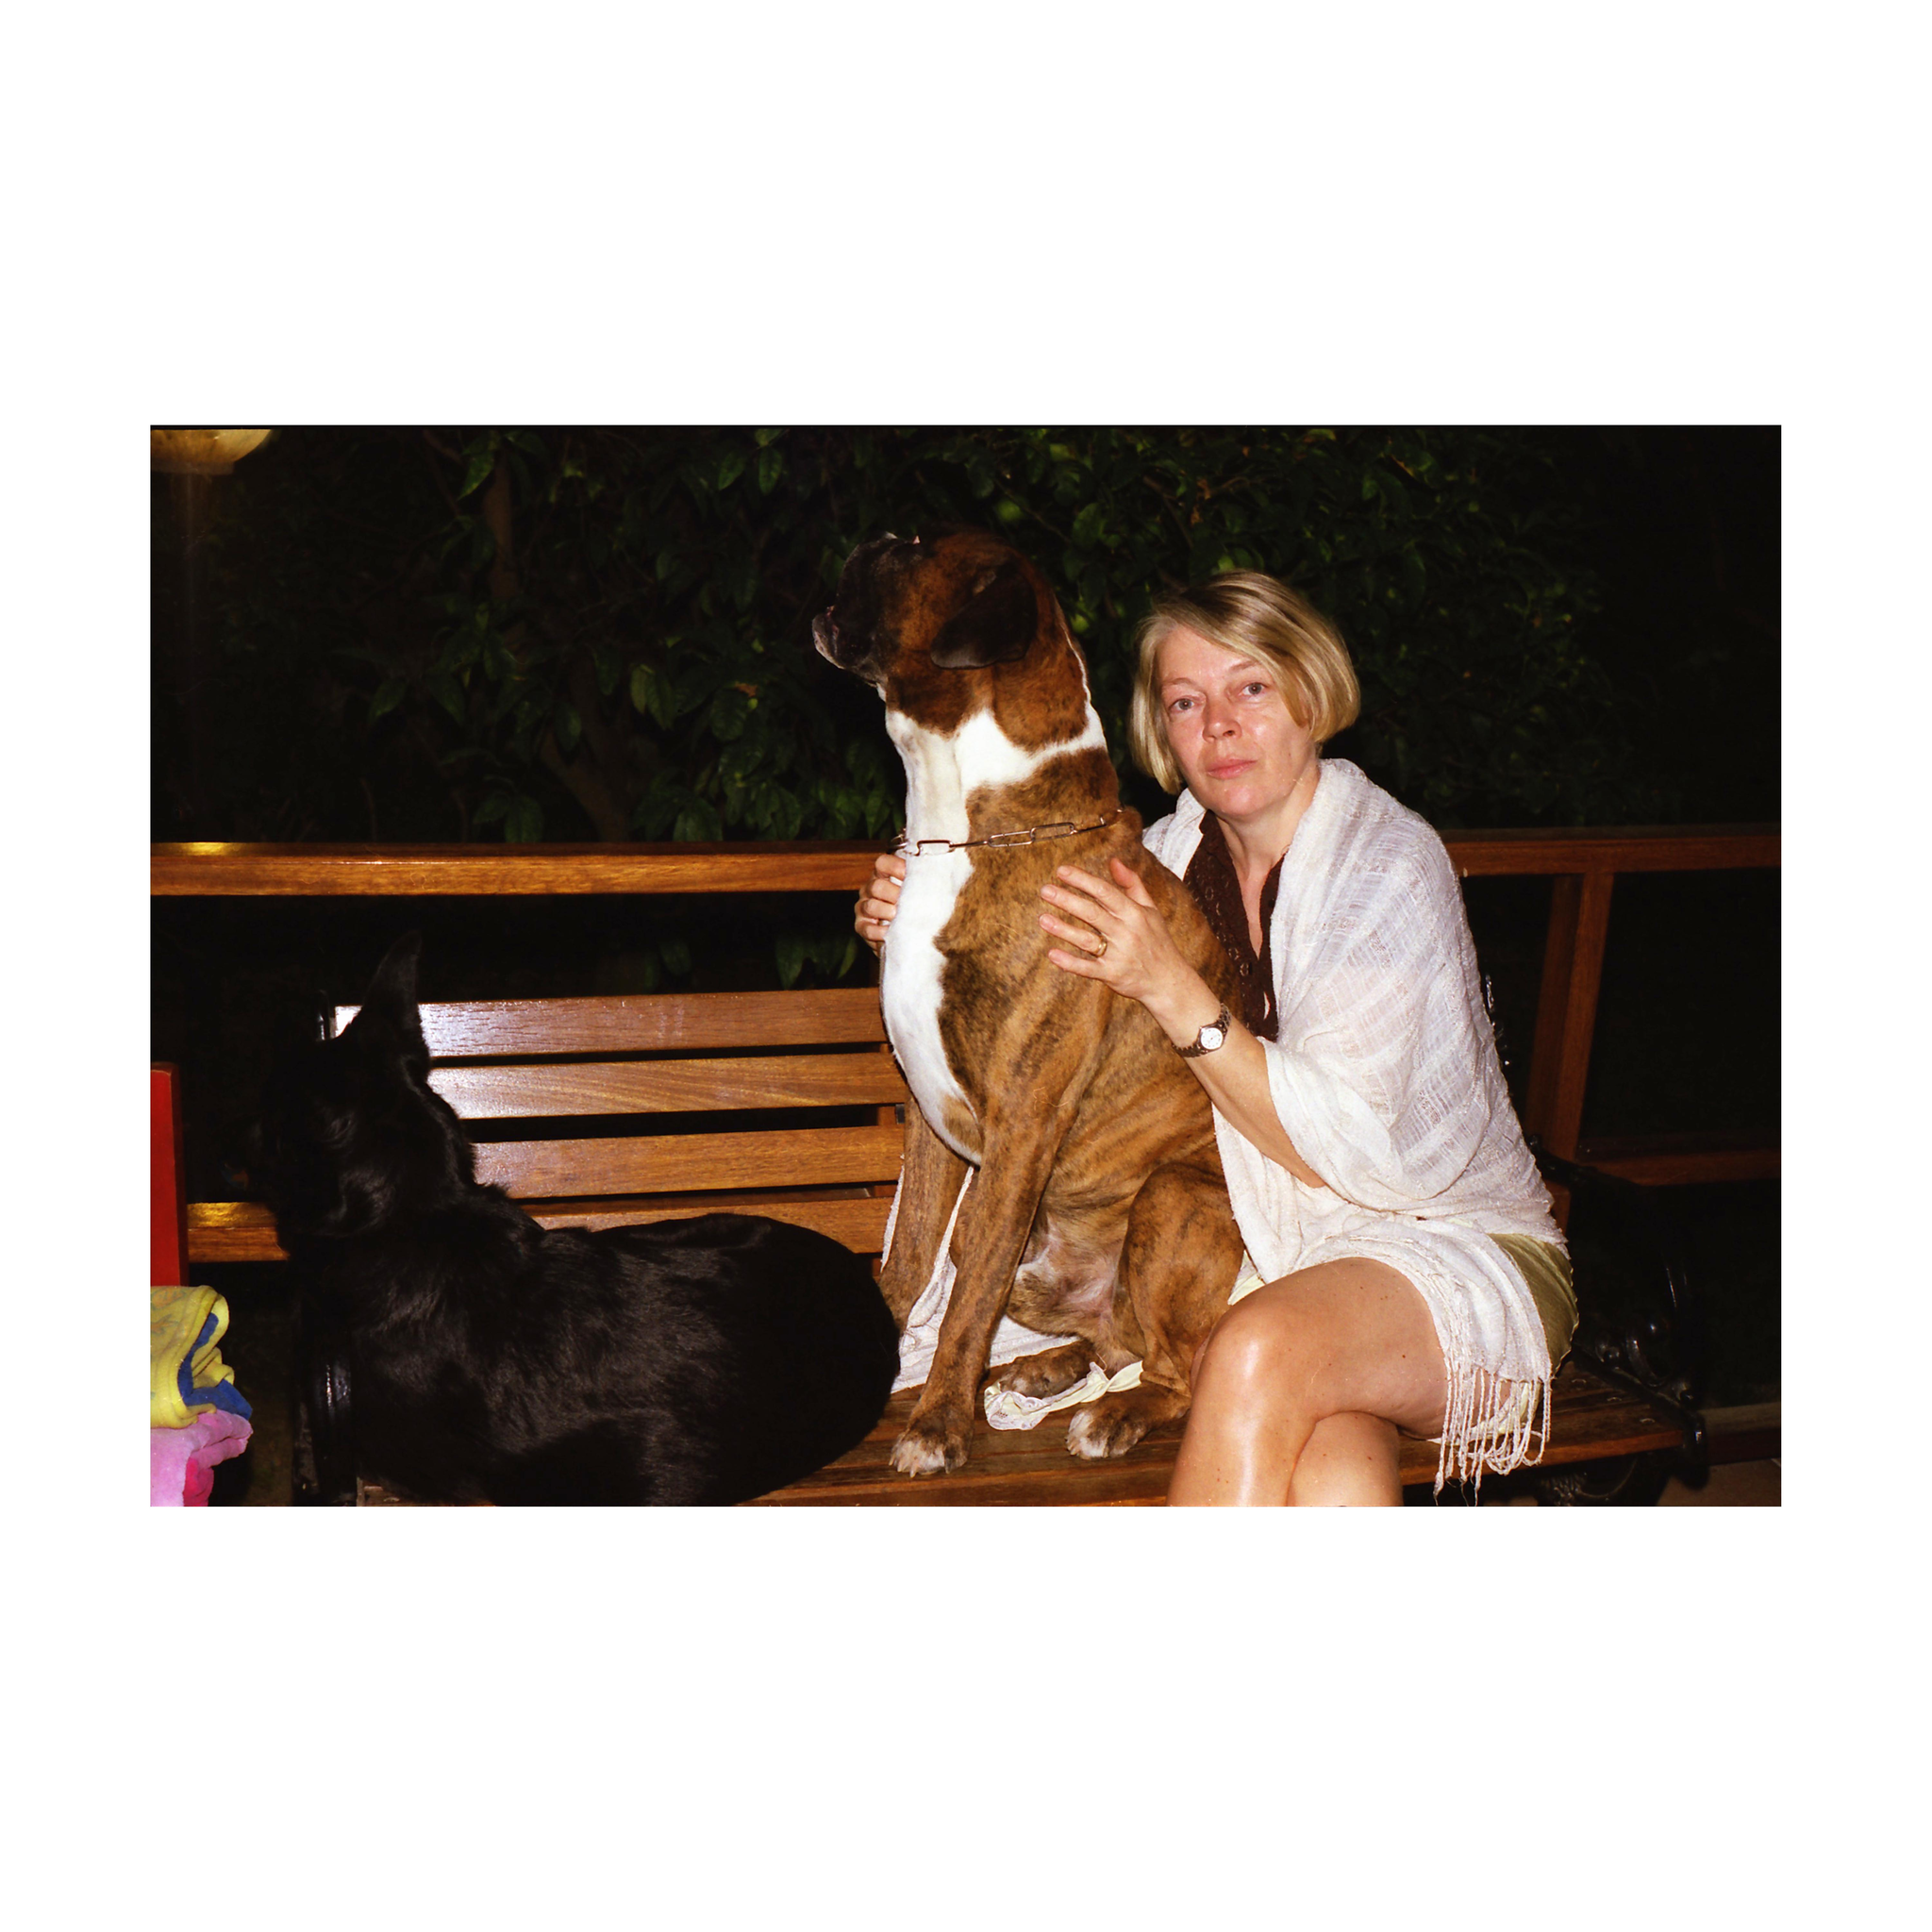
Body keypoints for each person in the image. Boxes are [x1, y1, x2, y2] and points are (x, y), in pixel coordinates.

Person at [854, 571, 1575, 1506]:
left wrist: (1166, 981)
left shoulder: (1390, 865)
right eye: (1184, 701)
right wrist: (913, 923)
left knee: (1257, 1350)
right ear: (1160, 729)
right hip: (1277, 1262)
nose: (1217, 726)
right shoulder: (1149, 863)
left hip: (1446, 1247)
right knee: (1328, 1462)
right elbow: (995, 1007)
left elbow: (1344, 1151)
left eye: (1250, 688)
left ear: (1309, 696)